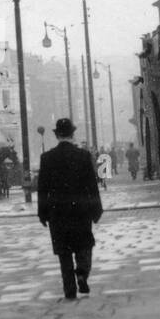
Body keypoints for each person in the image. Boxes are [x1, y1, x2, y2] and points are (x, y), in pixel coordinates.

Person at [37, 117, 103, 300]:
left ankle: (69, 290)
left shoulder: (47, 158)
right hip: (80, 211)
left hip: (57, 213)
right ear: (72, 134)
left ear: (57, 135)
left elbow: (42, 189)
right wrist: (96, 209)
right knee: (84, 246)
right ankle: (82, 272)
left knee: (64, 253)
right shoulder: (83, 156)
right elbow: (92, 185)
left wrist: (42, 213)